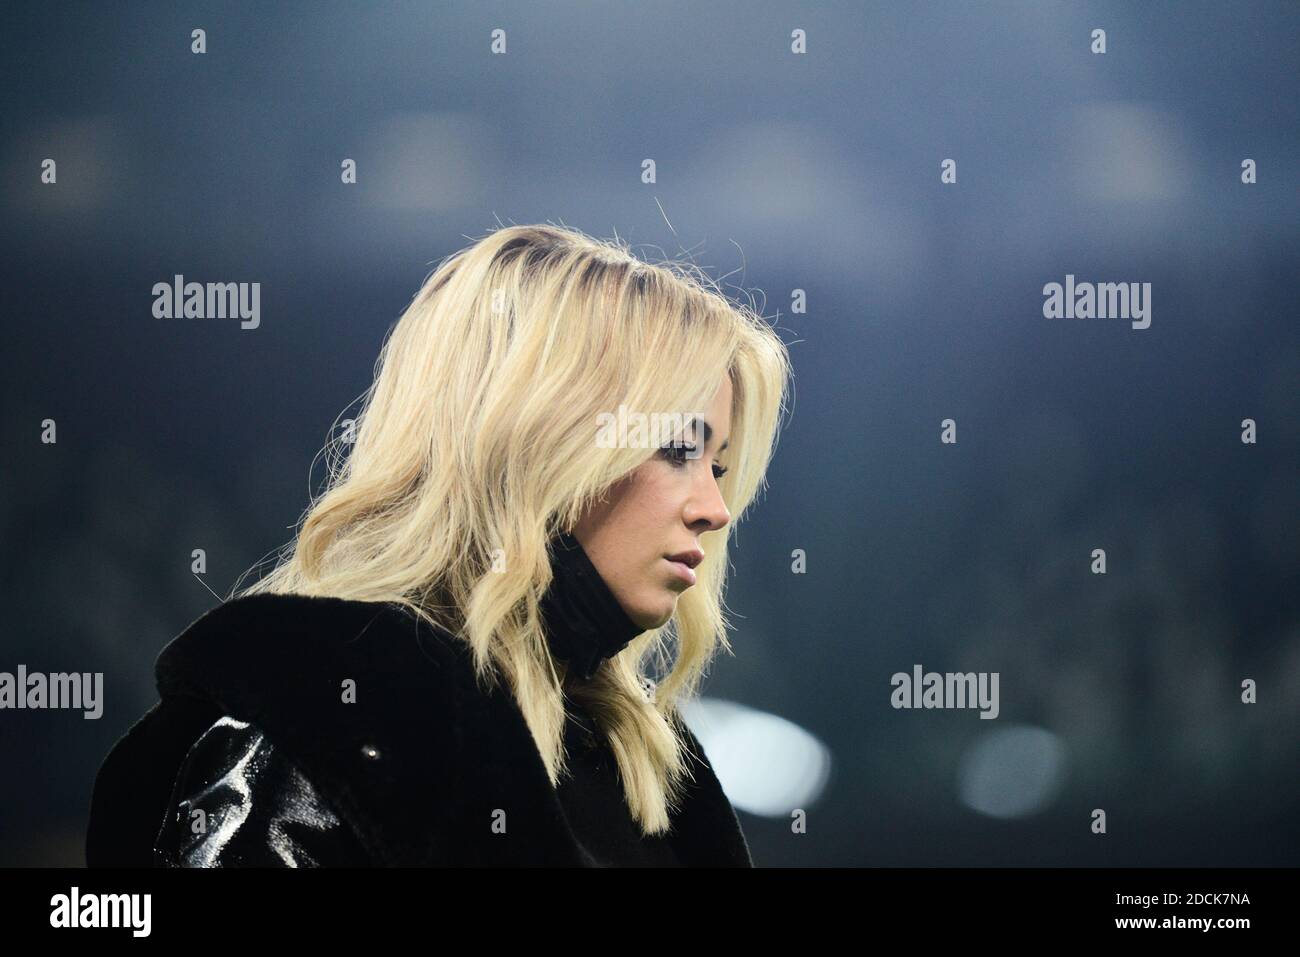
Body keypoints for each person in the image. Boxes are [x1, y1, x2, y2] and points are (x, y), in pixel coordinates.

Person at [85, 223, 792, 867]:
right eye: (676, 449)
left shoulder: (649, 776)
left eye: (719, 466)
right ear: (538, 445)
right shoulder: (320, 729)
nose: (714, 509)